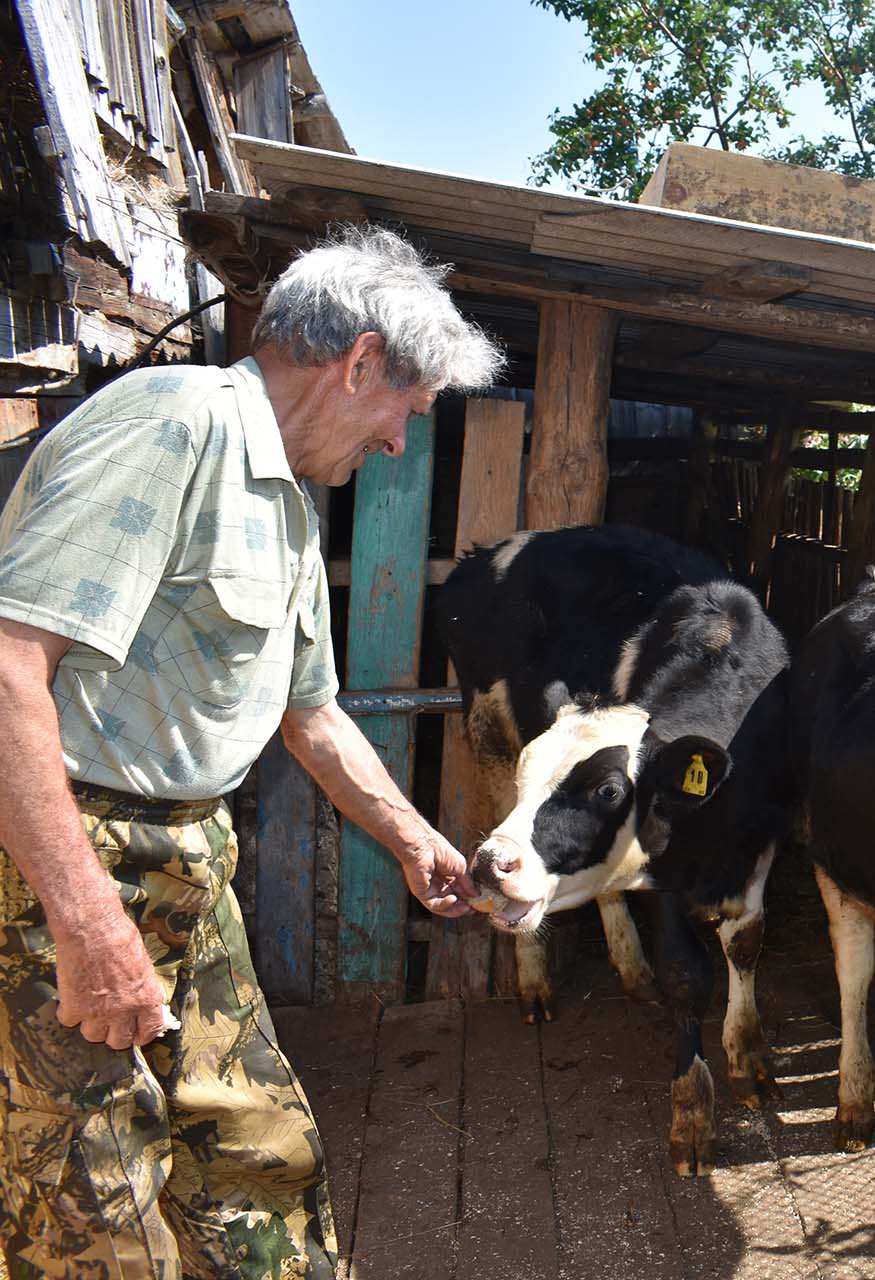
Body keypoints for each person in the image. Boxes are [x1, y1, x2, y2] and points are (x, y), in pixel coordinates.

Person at [0, 226, 502, 1277]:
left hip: (190, 863)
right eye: (406, 412)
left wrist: (415, 841)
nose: (403, 445)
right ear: (360, 360)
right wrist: (86, 918)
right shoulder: (172, 425)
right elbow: (7, 664)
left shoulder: (285, 501)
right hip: (59, 869)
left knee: (260, 1160)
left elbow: (309, 714)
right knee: (95, 1213)